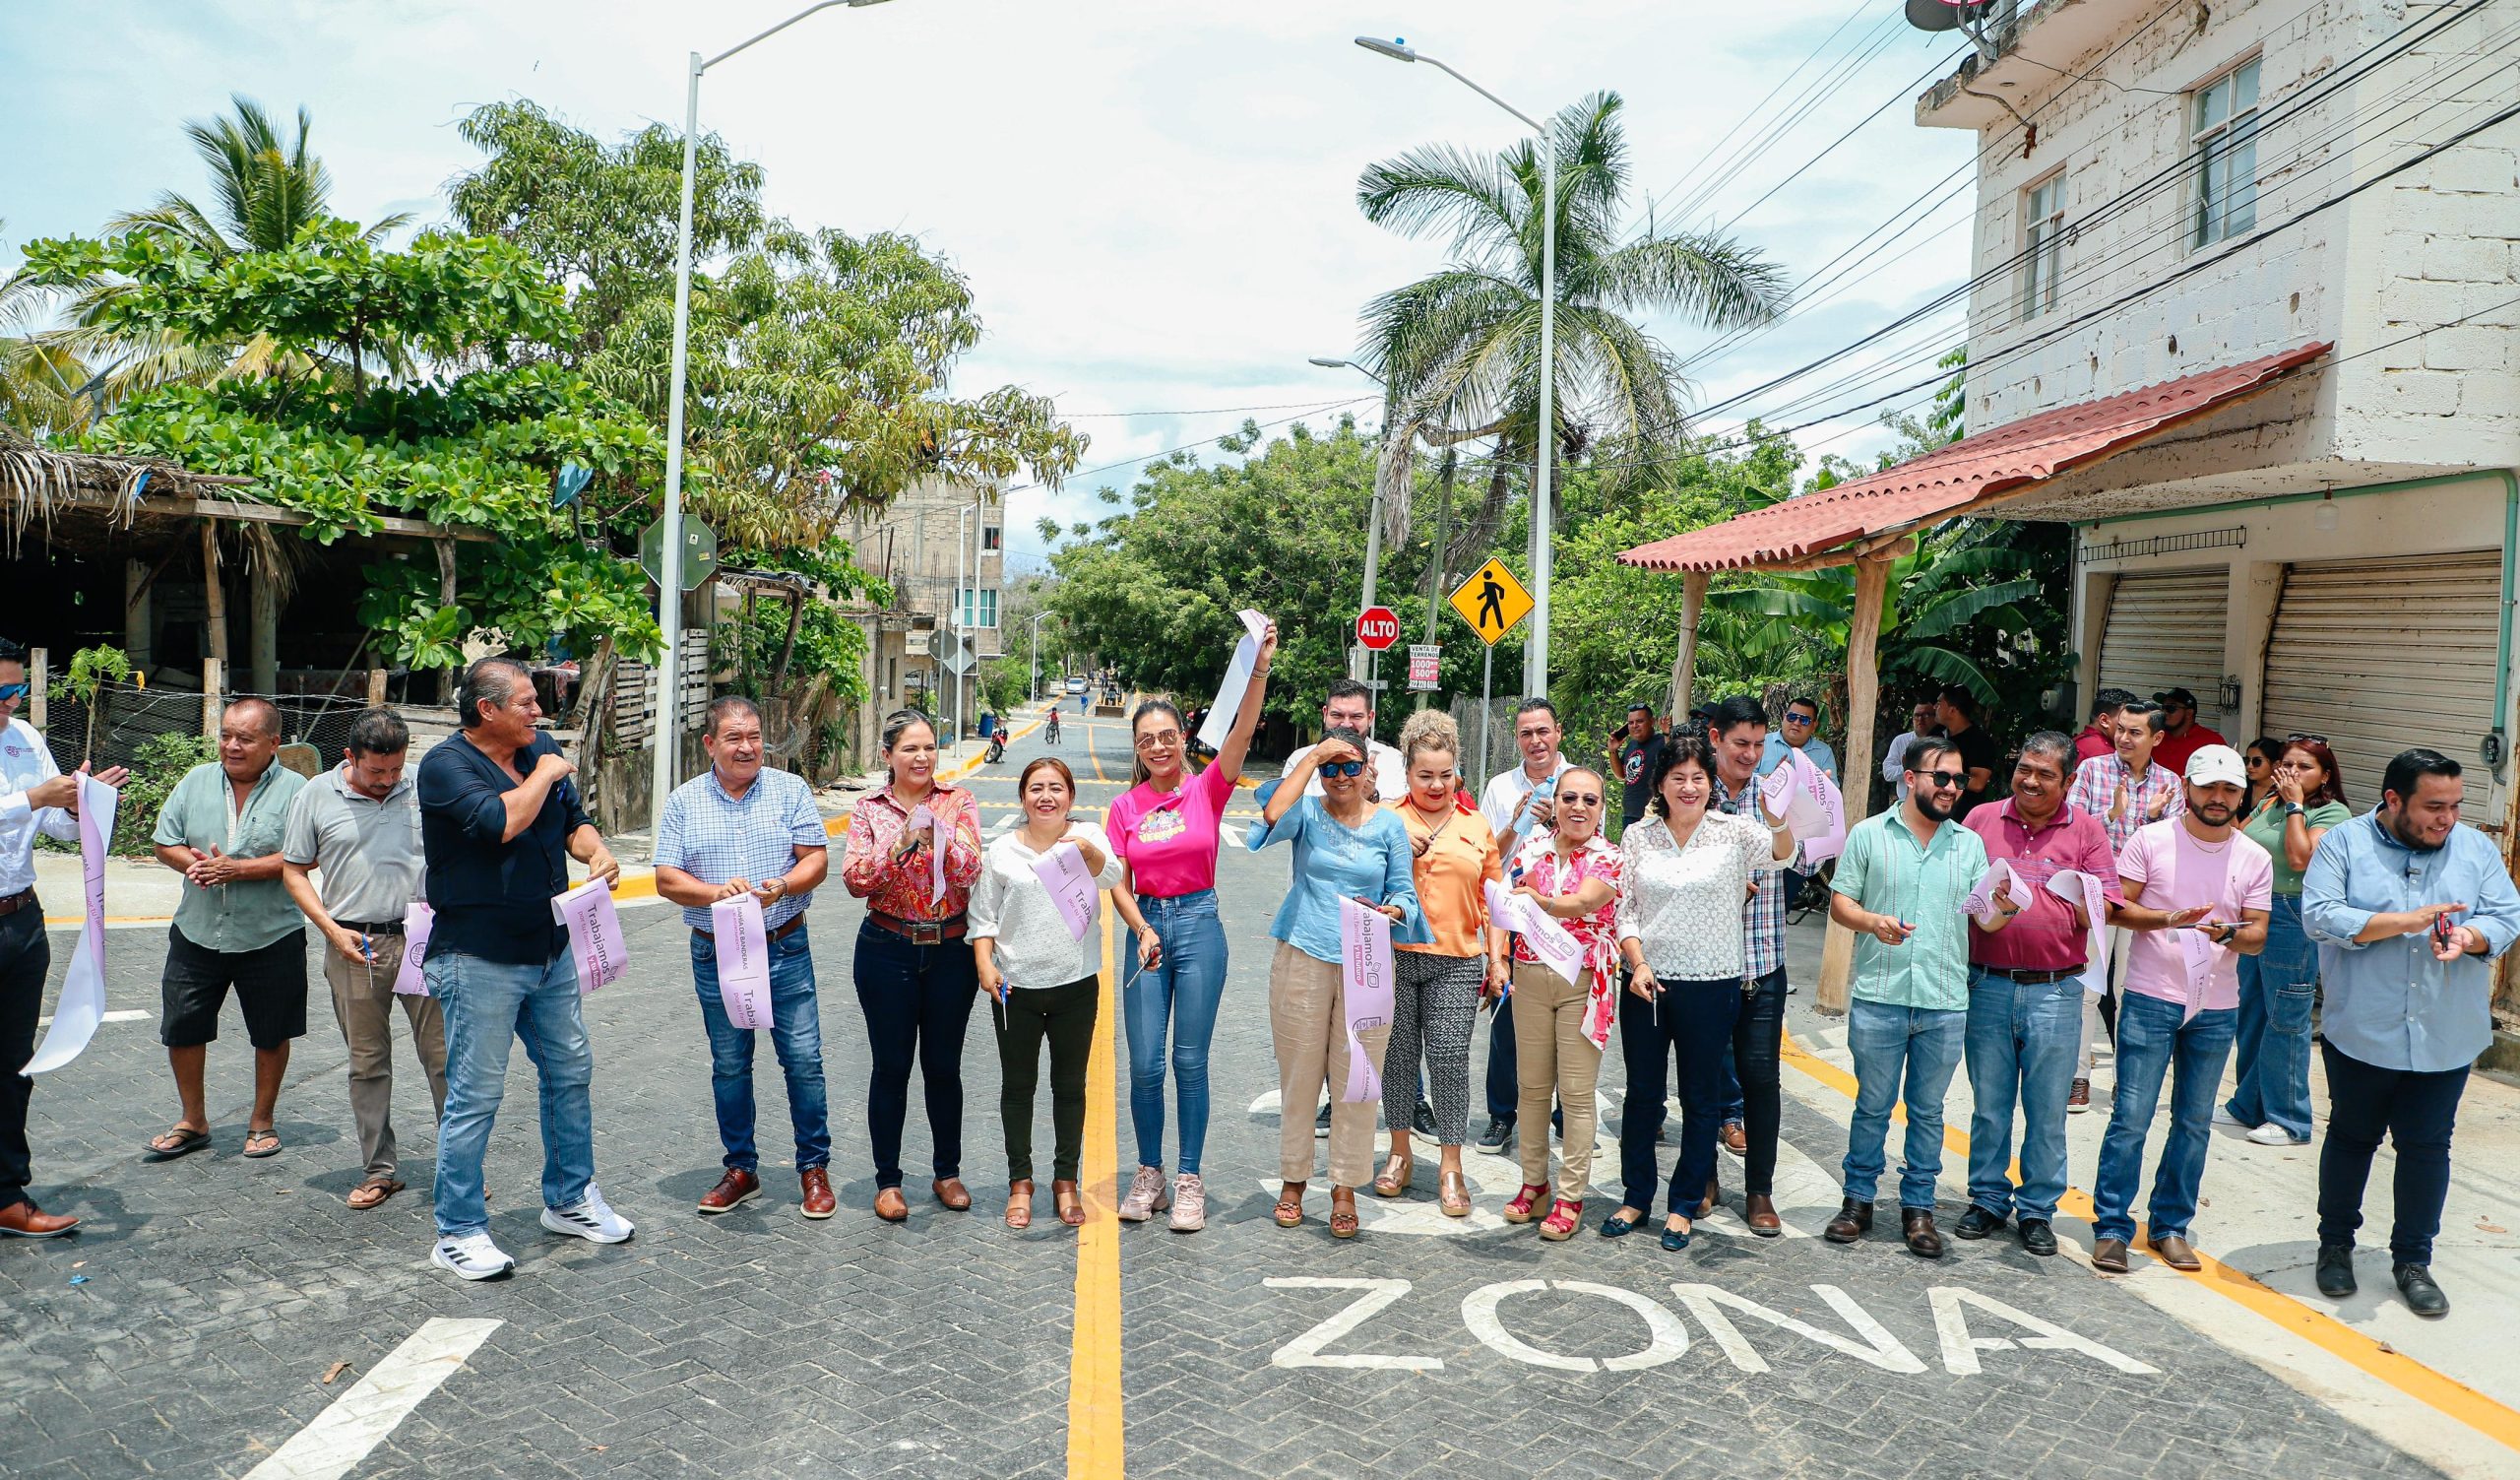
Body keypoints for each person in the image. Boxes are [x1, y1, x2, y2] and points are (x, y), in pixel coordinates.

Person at [417, 657, 629, 1280]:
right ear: (486, 709)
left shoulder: (542, 752)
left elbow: (573, 824)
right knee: (475, 1096)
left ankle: (569, 1200)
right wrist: (547, 771)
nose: (539, 712)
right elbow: (501, 821)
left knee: (571, 1070)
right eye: (526, 703)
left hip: (550, 949)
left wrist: (598, 852)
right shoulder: (445, 766)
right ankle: (457, 1232)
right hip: (476, 956)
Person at [2301, 748, 2520, 1318]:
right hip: (2363, 1031)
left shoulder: (2476, 848)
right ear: (2394, 800)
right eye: (2433, 807)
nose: (2446, 819)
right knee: (2352, 1139)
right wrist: (2406, 922)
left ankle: (2413, 1260)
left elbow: (2505, 915)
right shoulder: (2344, 844)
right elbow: (2319, 915)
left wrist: (2469, 938)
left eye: (2454, 806)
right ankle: (2335, 1247)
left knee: (2427, 1148)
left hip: (2446, 1034)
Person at [1105, 620, 1273, 1232]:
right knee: (1145, 1063)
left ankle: (1189, 1178)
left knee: (1189, 1062)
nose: (1159, 746)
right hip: (1145, 929)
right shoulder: (1125, 808)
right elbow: (1117, 880)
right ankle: (1147, 1172)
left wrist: (1259, 667)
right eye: (1147, 739)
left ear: (1181, 739)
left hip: (1201, 925)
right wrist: (1140, 928)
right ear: (1138, 748)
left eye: (1168, 735)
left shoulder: (1208, 790)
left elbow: (1245, 729)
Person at [2088, 744, 2272, 1275]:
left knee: (2193, 1123)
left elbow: (2257, 935)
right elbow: (2117, 909)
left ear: (2243, 795)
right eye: (2209, 788)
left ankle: (2170, 1226)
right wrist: (2168, 920)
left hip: (2216, 1007)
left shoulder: (2252, 856)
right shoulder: (2152, 839)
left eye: (2230, 790)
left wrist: (2228, 933)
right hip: (2149, 997)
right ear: (2186, 787)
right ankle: (2112, 1227)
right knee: (2132, 1117)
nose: (2219, 799)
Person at [1608, 737, 1796, 1253]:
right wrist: (1638, 962)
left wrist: (1778, 818)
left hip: (1713, 984)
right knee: (1643, 1097)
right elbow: (1625, 910)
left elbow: (1783, 855)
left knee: (1700, 1099)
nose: (1689, 788)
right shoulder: (1638, 837)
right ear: (1660, 785)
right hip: (1648, 984)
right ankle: (1636, 1196)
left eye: (1697, 778)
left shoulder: (1734, 832)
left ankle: (1684, 1203)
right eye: (1677, 778)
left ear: (1709, 783)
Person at [654, 696, 834, 1220]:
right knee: (730, 1064)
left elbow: (816, 860)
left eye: (754, 736)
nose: (747, 747)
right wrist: (713, 893)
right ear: (710, 744)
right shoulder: (684, 801)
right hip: (717, 953)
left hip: (785, 945)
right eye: (734, 738)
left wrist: (783, 885)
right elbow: (667, 878)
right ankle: (741, 1169)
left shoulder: (790, 789)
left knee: (803, 1061)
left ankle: (813, 1170)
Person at [1249, 727, 1427, 1238]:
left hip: (1367, 961)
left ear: (1369, 768)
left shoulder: (1390, 826)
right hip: (1304, 951)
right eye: (1331, 768)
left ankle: (1346, 1187)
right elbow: (1270, 817)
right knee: (1300, 1073)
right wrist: (1310, 761)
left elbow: (1404, 893)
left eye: (1351, 766)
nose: (1342, 777)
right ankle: (1294, 1181)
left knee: (1357, 1079)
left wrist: (1393, 909)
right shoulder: (1306, 812)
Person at [1956, 732, 2121, 1257]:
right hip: (1987, 984)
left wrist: (2061, 904)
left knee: (2047, 1109)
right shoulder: (1980, 819)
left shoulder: (2087, 831)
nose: (2030, 780)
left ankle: (2036, 1210)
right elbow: (1955, 888)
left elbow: (2107, 905)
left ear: (2068, 781)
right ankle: (1986, 1199)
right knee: (1989, 1105)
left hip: (2055, 991)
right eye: (2025, 768)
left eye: (2045, 774)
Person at [1825, 736, 1990, 1258]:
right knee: (1872, 1106)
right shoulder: (1870, 835)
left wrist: (2004, 905)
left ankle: (1919, 1208)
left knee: (1928, 1111)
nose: (1950, 789)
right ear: (1911, 777)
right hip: (1881, 994)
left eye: (1959, 780)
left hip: (1944, 1000)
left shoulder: (1968, 844)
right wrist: (1873, 923)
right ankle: (1858, 1202)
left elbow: (1987, 915)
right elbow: (1840, 902)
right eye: (1941, 778)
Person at [280, 708, 442, 1210]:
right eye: (377, 772)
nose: (388, 781)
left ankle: (459, 1170)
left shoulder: (424, 786)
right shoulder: (315, 796)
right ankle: (379, 1170)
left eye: (395, 770)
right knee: (367, 1064)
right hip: (354, 944)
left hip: (424, 941)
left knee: (444, 1059)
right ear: (350, 758)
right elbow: (294, 871)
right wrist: (330, 929)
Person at [145, 698, 309, 1164]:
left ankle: (262, 1122)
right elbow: (164, 841)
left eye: (245, 738)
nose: (231, 746)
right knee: (182, 1025)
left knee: (272, 1030)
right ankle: (192, 1121)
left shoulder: (298, 789)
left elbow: (306, 855)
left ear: (274, 743)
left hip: (271, 932)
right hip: (196, 930)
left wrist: (238, 869)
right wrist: (195, 865)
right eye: (226, 736)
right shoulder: (195, 781)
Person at [840, 708, 985, 1223]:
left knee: (944, 1066)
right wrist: (901, 841)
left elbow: (972, 872)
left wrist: (942, 840)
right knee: (891, 1066)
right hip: (887, 948)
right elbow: (857, 880)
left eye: (928, 747)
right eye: (910, 749)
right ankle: (889, 1180)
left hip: (950, 951)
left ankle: (947, 1172)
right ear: (888, 756)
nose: (921, 757)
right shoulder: (868, 811)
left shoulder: (958, 801)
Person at [0, 646, 123, 1237]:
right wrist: (34, 798)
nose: (12, 703)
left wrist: (88, 804)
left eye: (16, 690)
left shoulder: (22, 736)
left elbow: (54, 824)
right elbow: (30, 805)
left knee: (14, 1063)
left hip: (20, 918)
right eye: (1, 694)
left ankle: (6, 1194)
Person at [970, 757, 1123, 1230]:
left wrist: (1081, 850)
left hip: (1075, 985)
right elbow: (983, 917)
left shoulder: (1088, 837)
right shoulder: (1001, 852)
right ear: (1022, 798)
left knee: (1069, 1087)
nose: (1046, 797)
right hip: (1016, 987)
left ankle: (1065, 1182)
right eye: (1035, 788)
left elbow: (1112, 876)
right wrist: (983, 965)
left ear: (1070, 798)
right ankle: (1020, 1182)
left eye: (1056, 788)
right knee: (1018, 1087)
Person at [1373, 711, 1502, 1218]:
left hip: (1458, 960)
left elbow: (1493, 899)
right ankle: (1399, 1153)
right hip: (1393, 956)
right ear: (1407, 774)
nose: (1435, 784)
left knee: (1448, 1058)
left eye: (1445, 775)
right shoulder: (1385, 819)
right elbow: (1361, 875)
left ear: (1457, 774)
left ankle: (1452, 1164)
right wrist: (1394, 850)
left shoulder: (1477, 825)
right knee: (1399, 1058)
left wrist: (1499, 960)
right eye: (1424, 775)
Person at [1497, 767, 1620, 1242]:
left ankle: (1571, 1194)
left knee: (1574, 1092)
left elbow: (1585, 901)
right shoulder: (1530, 849)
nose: (1579, 808)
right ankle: (1534, 1184)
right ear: (1556, 802)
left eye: (1590, 800)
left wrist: (1538, 900)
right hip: (1529, 977)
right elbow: (1502, 903)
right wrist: (1499, 957)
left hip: (1584, 981)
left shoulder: (1610, 856)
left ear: (1601, 807)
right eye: (1570, 797)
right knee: (1530, 1087)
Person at [1706, 695, 1815, 1211]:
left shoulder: (1775, 796)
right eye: (1739, 744)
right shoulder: (1691, 791)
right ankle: (1701, 1179)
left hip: (1762, 962)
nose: (1750, 755)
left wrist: (1780, 820)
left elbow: (1799, 861)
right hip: (1702, 965)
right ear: (1716, 740)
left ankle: (1759, 1192)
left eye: (1757, 744)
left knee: (1762, 1082)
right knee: (1702, 1079)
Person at [2224, 737, 2350, 1147]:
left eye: (2305, 767)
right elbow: (2238, 841)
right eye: (2288, 764)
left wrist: (2295, 805)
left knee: (2285, 1017)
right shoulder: (2268, 802)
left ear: (2325, 775)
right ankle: (2249, 1105)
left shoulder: (2331, 812)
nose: (2292, 773)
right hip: (2253, 909)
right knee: (2252, 1012)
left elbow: (2301, 859)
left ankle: (2290, 1119)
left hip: (2292, 912)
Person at [2063, 699, 2184, 1110]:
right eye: (2121, 729)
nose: (2124, 738)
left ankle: (2124, 1082)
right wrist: (2115, 815)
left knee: (2129, 991)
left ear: (2157, 737)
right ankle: (2077, 1078)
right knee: (2087, 989)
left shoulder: (2171, 784)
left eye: (2135, 732)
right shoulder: (2092, 771)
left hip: (2140, 903)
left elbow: (2173, 848)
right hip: (2095, 896)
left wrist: (2148, 819)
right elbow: (2071, 833)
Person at [1474, 698, 1572, 1153]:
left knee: (1567, 1024)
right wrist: (1515, 823)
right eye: (1527, 733)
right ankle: (1501, 1115)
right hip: (1513, 918)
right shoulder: (1499, 786)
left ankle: (1564, 1114)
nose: (1536, 741)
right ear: (1518, 739)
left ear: (1558, 733)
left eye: (1543, 731)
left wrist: (1556, 819)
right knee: (1506, 1021)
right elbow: (1487, 853)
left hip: (1564, 916)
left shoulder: (1578, 783)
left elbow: (1593, 845)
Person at [1301, 678, 1406, 802]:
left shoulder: (1394, 760)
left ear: (1370, 718)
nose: (1346, 724)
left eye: (1356, 716)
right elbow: (1280, 814)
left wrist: (1372, 796)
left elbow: (1403, 814)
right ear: (1325, 714)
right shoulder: (1301, 760)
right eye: (1337, 715)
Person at [1933, 686, 2000, 819]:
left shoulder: (1979, 741)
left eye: (1939, 703)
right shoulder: (1936, 735)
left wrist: (1944, 777)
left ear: (1953, 710)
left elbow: (1977, 783)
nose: (1935, 707)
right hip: (1935, 812)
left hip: (1963, 817)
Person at [1611, 703, 1669, 831]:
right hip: (1630, 814)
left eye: (1640, 721)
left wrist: (1667, 734)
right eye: (1630, 723)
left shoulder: (1662, 741)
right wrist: (1613, 751)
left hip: (1653, 813)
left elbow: (1671, 759)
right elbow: (1621, 775)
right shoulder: (1631, 745)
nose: (1635, 726)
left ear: (1652, 722)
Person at [2150, 687, 2228, 778]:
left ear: (2189, 713)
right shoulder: (2155, 738)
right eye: (2162, 708)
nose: (2164, 712)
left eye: (2170, 708)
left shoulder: (2212, 742)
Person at [1759, 695, 1839, 782]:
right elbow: (1745, 782)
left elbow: (1831, 790)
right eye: (1792, 717)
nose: (1796, 723)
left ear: (1814, 725)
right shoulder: (1761, 742)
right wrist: (1771, 778)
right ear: (1783, 717)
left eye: (1804, 720)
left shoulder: (1824, 752)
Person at [1881, 698, 1940, 803]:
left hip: (1935, 801)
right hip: (1905, 802)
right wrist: (1907, 767)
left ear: (1935, 717)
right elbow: (1887, 773)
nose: (1920, 719)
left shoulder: (1944, 741)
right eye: (1916, 716)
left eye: (1926, 715)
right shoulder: (1900, 741)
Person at [2074, 688, 2137, 764]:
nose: (2133, 724)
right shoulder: (2103, 755)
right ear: (2104, 720)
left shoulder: (2078, 742)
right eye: (2126, 718)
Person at [2238, 736, 2284, 817]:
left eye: (2257, 761)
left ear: (2276, 764)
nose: (2249, 766)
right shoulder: (2241, 784)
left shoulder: (2282, 792)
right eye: (2247, 760)